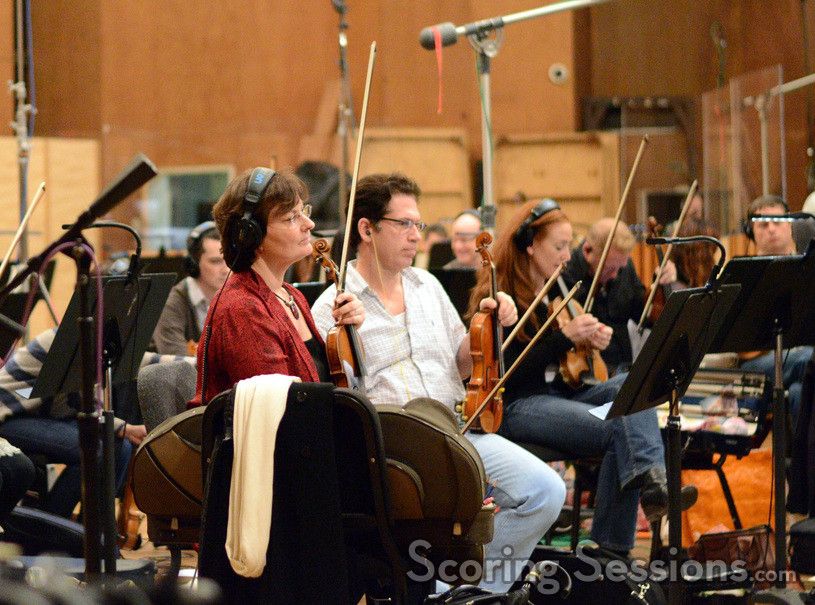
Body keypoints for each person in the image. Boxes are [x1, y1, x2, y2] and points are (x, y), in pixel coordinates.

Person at [311, 173, 565, 593]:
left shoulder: (427, 285)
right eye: (404, 224)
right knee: (454, 513)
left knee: (546, 491)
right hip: (398, 448)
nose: (417, 235)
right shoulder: (333, 307)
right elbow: (341, 396)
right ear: (367, 230)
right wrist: (346, 333)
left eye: (419, 224)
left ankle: (469, 594)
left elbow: (462, 363)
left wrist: (488, 323)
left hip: (457, 429)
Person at [467, 198, 697, 556]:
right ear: (530, 244)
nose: (566, 256)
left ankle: (651, 485)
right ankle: (612, 549)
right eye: (559, 247)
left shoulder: (549, 290)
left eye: (568, 246)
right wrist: (566, 338)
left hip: (555, 397)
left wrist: (587, 342)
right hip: (516, 405)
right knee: (621, 428)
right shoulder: (501, 296)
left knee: (630, 384)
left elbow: (560, 364)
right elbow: (508, 371)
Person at [190, 167, 364, 407]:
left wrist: (349, 335)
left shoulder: (291, 296)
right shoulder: (243, 310)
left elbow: (324, 383)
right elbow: (282, 411)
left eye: (303, 211)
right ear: (251, 236)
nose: (309, 224)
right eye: (291, 218)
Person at [0, 328, 157, 519]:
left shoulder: (96, 348)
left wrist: (125, 429)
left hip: (42, 416)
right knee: (93, 448)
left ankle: (92, 528)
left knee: (119, 447)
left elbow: (85, 407)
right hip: (9, 416)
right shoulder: (62, 340)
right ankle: (50, 524)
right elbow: (142, 362)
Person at [561, 217, 678, 374]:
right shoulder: (566, 274)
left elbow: (642, 316)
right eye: (609, 268)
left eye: (619, 268)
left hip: (624, 367)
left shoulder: (624, 265)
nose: (615, 275)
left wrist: (660, 286)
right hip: (588, 371)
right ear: (587, 251)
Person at [740, 195, 811, 421]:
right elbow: (742, 347)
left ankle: (799, 446)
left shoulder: (809, 268)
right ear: (751, 231)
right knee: (808, 359)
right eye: (763, 224)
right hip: (760, 362)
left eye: (777, 221)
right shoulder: (742, 275)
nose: (771, 229)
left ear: (790, 224)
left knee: (800, 392)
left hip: (802, 356)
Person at [151, 221, 229, 355]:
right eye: (216, 261)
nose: (226, 270)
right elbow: (177, 361)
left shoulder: (237, 298)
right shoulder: (171, 304)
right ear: (193, 264)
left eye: (229, 260)